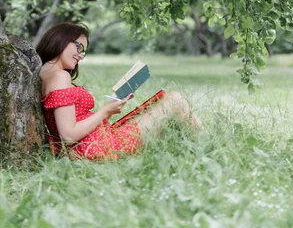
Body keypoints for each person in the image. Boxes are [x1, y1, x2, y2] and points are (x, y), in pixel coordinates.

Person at [36, 22, 200, 160]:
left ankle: (190, 147)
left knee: (159, 108)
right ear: (60, 40)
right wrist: (106, 111)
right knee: (174, 99)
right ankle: (206, 144)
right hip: (99, 148)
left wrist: (110, 108)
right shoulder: (59, 76)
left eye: (83, 51)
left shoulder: (45, 73)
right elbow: (68, 135)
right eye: (78, 47)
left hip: (96, 142)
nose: (81, 56)